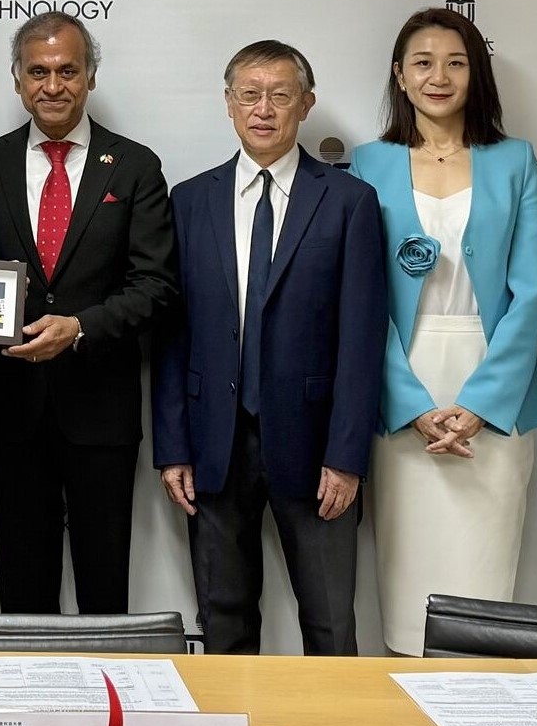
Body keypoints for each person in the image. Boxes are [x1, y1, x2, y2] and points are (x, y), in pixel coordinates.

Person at [152, 40, 386, 655]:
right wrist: (173, 445)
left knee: (332, 624)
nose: (264, 109)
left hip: (316, 450)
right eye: (249, 95)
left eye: (280, 95)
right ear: (228, 104)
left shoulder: (348, 202)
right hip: (213, 443)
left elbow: (362, 342)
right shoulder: (189, 200)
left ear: (305, 105)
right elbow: (173, 335)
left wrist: (347, 455)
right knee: (223, 623)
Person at [349, 8, 537, 656]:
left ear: (477, 72)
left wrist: (479, 405)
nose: (438, 76)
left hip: (495, 384)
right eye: (423, 62)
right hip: (400, 385)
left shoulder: (516, 161)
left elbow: (530, 293)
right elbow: (363, 302)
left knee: (483, 574)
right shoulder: (367, 163)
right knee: (408, 578)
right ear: (399, 75)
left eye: (455, 62)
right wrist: (412, 406)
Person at [0, 12, 177, 615]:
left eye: (68, 71)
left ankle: (109, 706)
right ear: (18, 79)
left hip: (100, 406)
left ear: (91, 77)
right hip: (12, 406)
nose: (54, 85)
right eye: (39, 72)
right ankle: (27, 704)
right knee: (23, 587)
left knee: (106, 584)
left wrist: (81, 328)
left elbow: (155, 285)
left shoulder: (133, 166)